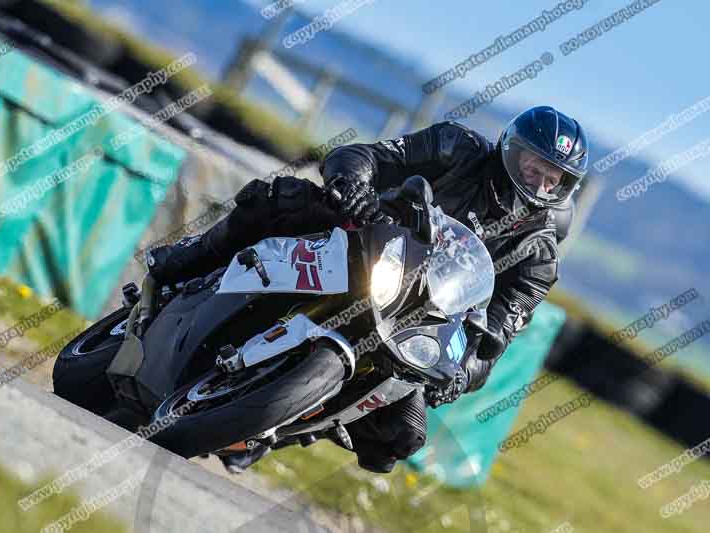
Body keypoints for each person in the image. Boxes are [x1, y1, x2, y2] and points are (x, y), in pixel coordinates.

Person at [145, 105, 589, 473]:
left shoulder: (538, 256)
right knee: (283, 197)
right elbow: (367, 156)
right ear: (511, 151)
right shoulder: (457, 147)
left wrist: (461, 373)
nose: (540, 183)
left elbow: (495, 337)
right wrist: (352, 183)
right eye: (534, 167)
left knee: (404, 434)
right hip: (370, 237)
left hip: (421, 316)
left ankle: (278, 425)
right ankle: (188, 257)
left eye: (555, 179)